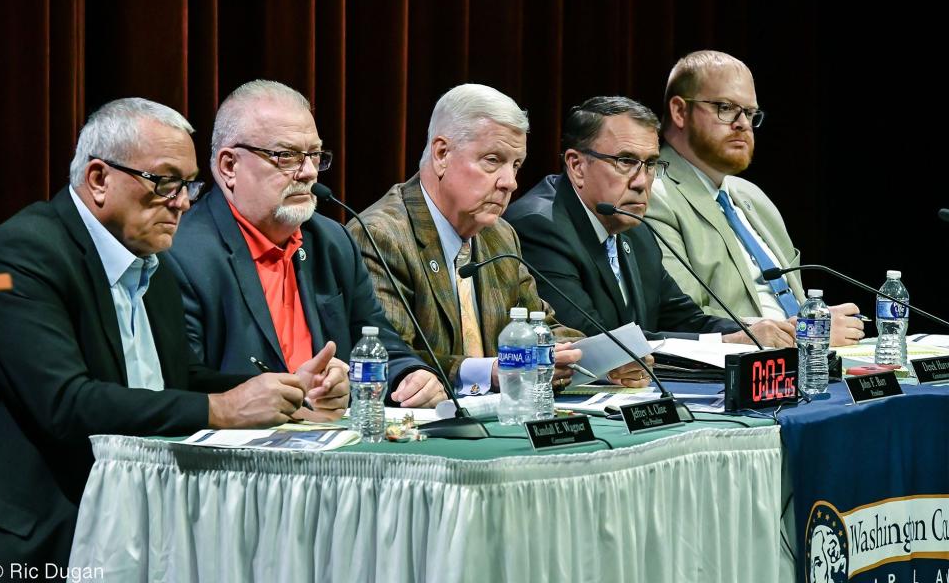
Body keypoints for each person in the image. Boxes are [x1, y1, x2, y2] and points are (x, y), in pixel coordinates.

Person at [0, 98, 344, 568]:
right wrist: (220, 410)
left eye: (188, 185)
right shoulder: (19, 255)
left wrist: (286, 392)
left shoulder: (147, 259)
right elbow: (66, 404)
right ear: (99, 179)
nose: (182, 203)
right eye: (164, 183)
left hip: (144, 521)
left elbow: (173, 380)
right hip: (49, 532)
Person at [349, 83, 651, 391]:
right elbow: (389, 356)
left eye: (516, 165)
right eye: (493, 160)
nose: (510, 183)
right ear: (441, 154)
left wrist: (606, 357)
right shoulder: (382, 235)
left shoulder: (500, 234)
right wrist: (489, 372)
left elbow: (541, 327)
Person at [165, 80, 445, 408]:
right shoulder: (182, 255)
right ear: (230, 166)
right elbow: (185, 383)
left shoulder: (332, 243)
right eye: (286, 156)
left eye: (314, 155)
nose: (309, 172)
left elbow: (380, 345)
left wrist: (410, 376)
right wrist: (295, 393)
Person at [505, 96, 794, 348]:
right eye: (626, 162)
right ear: (577, 166)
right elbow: (591, 339)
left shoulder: (636, 230)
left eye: (651, 164)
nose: (642, 182)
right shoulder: (542, 227)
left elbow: (684, 320)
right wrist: (724, 342)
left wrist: (752, 332)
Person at [647, 50, 864, 346]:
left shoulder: (751, 196)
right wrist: (804, 331)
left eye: (749, 113)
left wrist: (812, 327)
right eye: (725, 108)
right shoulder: (652, 193)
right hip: (736, 368)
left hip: (803, 358)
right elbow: (683, 316)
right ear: (679, 112)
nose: (742, 124)